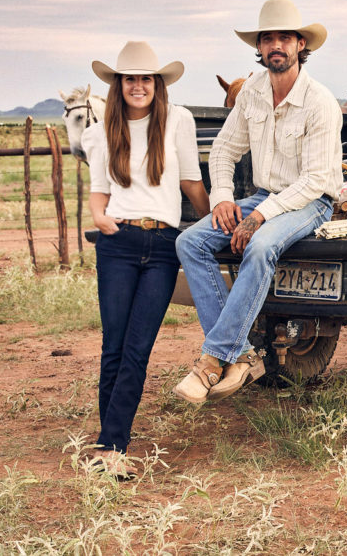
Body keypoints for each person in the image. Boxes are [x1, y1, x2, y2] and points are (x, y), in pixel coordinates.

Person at [174, 0, 343, 404]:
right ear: (260, 48)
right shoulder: (252, 91)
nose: (276, 46)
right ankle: (241, 354)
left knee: (262, 245)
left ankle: (213, 360)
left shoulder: (320, 101)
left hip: (311, 201)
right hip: (267, 196)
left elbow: (316, 180)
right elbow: (222, 151)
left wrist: (258, 218)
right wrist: (222, 199)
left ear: (301, 45)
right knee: (190, 243)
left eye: (284, 38)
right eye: (268, 39)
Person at [83, 41, 210, 476]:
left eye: (146, 79)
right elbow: (100, 188)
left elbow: (192, 181)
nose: (138, 86)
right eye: (130, 79)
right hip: (117, 242)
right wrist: (100, 217)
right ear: (119, 86)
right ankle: (110, 445)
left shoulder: (178, 121)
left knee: (138, 346)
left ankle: (110, 443)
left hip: (161, 247)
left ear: (157, 84)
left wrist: (216, 221)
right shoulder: (102, 129)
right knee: (114, 345)